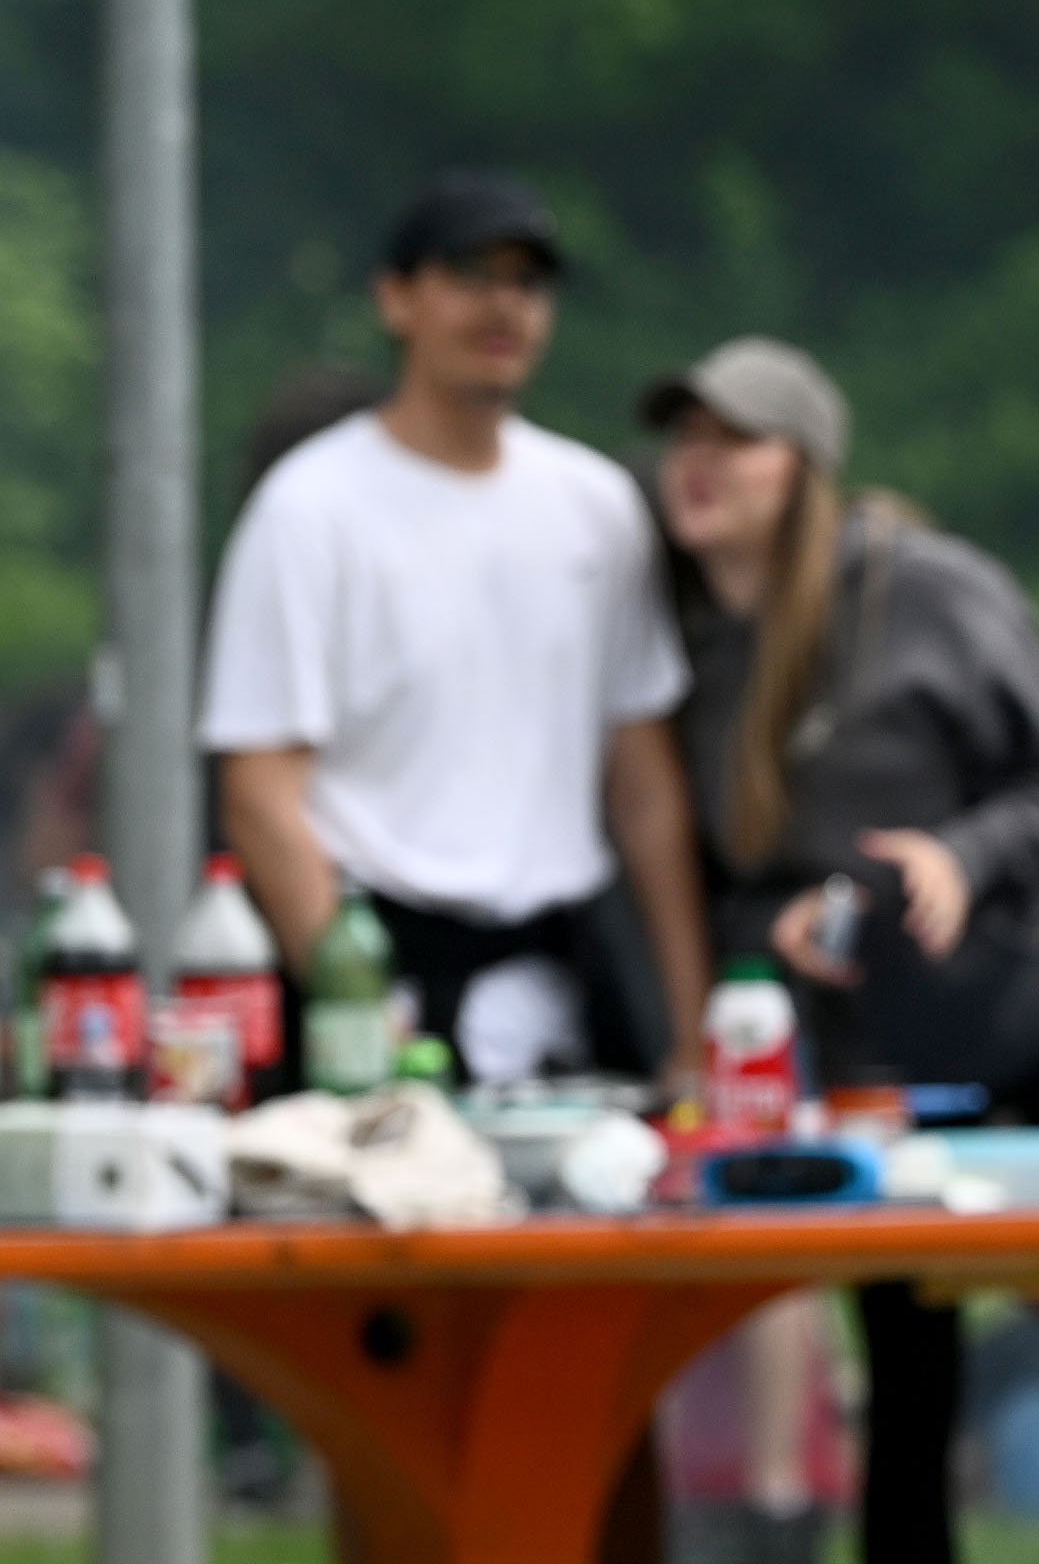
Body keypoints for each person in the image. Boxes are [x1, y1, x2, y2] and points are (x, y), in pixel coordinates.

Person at [645, 335, 1039, 1564]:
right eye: (682, 437)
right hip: (848, 1056)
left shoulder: (923, 591)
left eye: (734, 439)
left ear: (803, 466)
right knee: (907, 1382)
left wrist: (956, 851)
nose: (697, 464)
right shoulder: (674, 633)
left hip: (1036, 1012)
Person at [202, 170, 708, 1087]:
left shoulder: (596, 508)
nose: (503, 305)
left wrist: (689, 1031)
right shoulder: (309, 511)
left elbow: (644, 786)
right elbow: (262, 796)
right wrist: (365, 1025)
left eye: (528, 282)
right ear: (394, 298)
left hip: (561, 991)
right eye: (470, 274)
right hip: (373, 979)